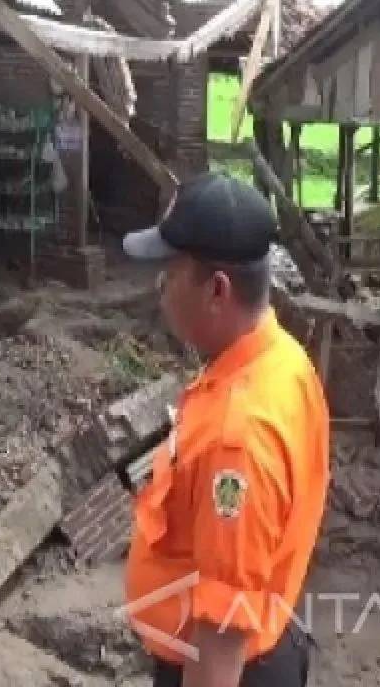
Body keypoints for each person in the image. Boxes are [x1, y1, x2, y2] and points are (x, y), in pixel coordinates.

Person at [121, 173, 330, 687]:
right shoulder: (282, 361)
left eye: (169, 274)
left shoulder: (237, 441)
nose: (160, 290)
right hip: (269, 643)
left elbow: (221, 633)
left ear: (217, 290)